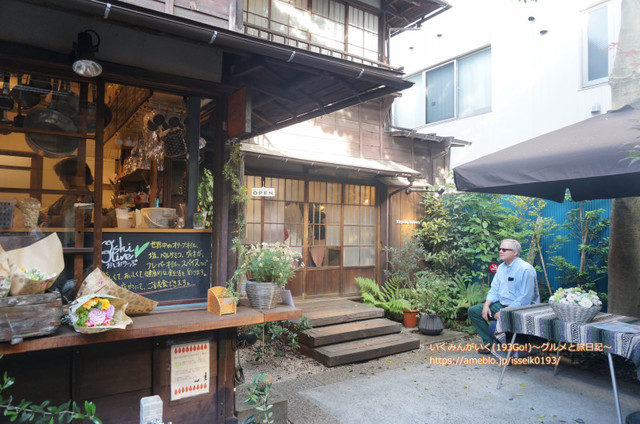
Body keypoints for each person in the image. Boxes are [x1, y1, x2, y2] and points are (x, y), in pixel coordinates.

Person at [468, 239, 540, 354]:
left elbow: (525, 298)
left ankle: (506, 347)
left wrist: (504, 311)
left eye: (504, 249)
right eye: (500, 249)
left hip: (521, 309)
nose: (501, 251)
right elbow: (494, 289)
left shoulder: (525, 269)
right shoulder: (501, 268)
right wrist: (486, 305)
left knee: (494, 325)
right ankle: (490, 344)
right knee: (474, 311)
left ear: (515, 252)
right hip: (503, 304)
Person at [42, 157, 94, 230]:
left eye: (62, 175)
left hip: (65, 236)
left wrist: (45, 218)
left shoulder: (77, 194)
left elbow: (66, 221)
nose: (60, 179)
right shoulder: (86, 193)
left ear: (74, 176)